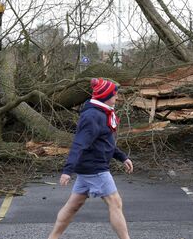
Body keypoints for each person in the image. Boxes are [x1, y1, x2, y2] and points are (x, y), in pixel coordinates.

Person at [47, 78, 134, 239]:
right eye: (114, 94)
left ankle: (52, 237)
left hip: (88, 169)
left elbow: (104, 142)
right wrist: (67, 171)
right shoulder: (93, 116)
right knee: (115, 203)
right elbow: (79, 144)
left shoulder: (101, 113)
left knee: (73, 206)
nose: (117, 97)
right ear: (105, 96)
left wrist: (122, 157)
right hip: (95, 169)